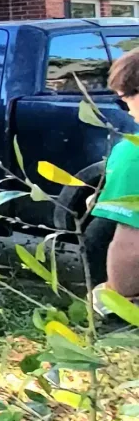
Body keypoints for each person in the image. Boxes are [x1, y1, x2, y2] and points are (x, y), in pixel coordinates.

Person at [91, 50, 139, 313]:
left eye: (125, 99)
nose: (127, 109)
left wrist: (117, 298)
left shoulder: (134, 152)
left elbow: (132, 246)